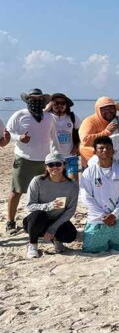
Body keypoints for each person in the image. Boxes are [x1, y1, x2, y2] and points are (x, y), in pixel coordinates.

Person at [6, 88, 58, 235]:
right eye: (33, 99)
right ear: (28, 101)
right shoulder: (19, 115)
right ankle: (10, 222)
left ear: (44, 102)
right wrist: (19, 138)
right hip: (24, 159)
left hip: (45, 161)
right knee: (17, 191)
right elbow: (7, 132)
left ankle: (41, 221)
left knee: (43, 194)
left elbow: (54, 139)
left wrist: (58, 157)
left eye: (39, 100)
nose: (36, 102)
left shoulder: (49, 118)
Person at [79, 136, 119, 253]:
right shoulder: (88, 172)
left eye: (108, 148)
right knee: (91, 250)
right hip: (97, 219)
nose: (105, 151)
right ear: (95, 152)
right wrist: (103, 216)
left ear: (113, 151)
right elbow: (86, 197)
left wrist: (114, 215)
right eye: (101, 148)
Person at [23, 153, 78, 258]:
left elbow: (70, 210)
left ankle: (56, 239)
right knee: (39, 215)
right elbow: (29, 206)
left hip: (56, 219)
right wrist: (49, 206)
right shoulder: (37, 181)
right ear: (46, 167)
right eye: (50, 165)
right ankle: (33, 245)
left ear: (64, 165)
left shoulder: (72, 185)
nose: (54, 167)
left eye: (58, 164)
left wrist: (54, 227)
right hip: (37, 220)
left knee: (70, 235)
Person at [46, 93, 81, 181]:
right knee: (53, 183)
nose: (59, 105)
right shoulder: (46, 117)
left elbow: (81, 132)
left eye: (62, 103)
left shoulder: (72, 117)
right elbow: (36, 123)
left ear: (67, 105)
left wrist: (77, 146)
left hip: (70, 156)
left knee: (73, 182)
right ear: (51, 104)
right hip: (53, 156)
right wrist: (45, 110)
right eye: (56, 103)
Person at [79, 96, 117, 167]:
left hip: (111, 160)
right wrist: (106, 132)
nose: (108, 111)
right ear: (98, 110)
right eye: (104, 109)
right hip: (90, 162)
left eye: (111, 108)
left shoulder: (117, 120)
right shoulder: (90, 121)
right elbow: (85, 140)